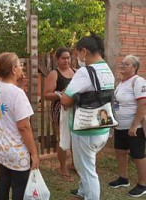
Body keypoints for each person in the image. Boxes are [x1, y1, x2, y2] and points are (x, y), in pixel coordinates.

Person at [61, 32, 115, 200]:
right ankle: (82, 193)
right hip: (102, 127)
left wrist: (63, 95)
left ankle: (90, 195)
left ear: (84, 51)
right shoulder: (108, 70)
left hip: (85, 130)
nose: (77, 57)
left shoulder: (85, 72)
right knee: (88, 164)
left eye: (77, 53)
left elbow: (66, 101)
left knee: (87, 171)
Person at [0, 52, 39, 200]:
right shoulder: (17, 93)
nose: (21, 68)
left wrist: (20, 86)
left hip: (0, 147)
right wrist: (34, 154)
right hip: (16, 152)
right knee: (19, 190)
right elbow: (24, 127)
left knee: (3, 184)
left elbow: (9, 102)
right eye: (19, 65)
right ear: (13, 69)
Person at [108, 55, 146, 197]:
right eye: (122, 63)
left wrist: (134, 126)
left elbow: (143, 105)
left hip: (134, 128)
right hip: (120, 126)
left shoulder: (138, 81)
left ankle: (143, 184)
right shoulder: (122, 82)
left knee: (138, 155)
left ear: (134, 67)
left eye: (127, 64)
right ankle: (123, 178)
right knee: (120, 151)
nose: (122, 65)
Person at [44, 47, 76, 181]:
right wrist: (60, 94)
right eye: (63, 58)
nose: (66, 61)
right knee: (62, 139)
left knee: (76, 139)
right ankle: (63, 167)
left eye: (68, 58)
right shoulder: (54, 74)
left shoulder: (76, 72)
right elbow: (46, 95)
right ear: (57, 59)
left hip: (75, 109)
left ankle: (75, 164)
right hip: (60, 110)